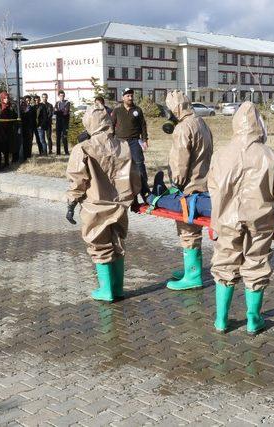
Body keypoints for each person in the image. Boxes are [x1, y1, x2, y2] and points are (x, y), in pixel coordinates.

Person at [208, 102, 274, 335]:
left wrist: (214, 222)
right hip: (260, 220)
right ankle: (253, 320)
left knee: (224, 264)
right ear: (259, 125)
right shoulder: (271, 156)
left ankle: (221, 320)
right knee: (256, 264)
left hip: (227, 219)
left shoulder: (221, 154)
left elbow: (214, 190)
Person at [65, 102, 140, 302]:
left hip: (95, 206)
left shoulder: (83, 148)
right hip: (120, 204)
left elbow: (77, 179)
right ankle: (118, 288)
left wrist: (71, 203)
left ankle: (106, 291)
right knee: (117, 244)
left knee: (100, 246)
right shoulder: (123, 145)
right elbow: (134, 173)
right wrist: (135, 196)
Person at [157, 90, 214, 291]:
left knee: (187, 230)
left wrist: (176, 183)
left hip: (189, 187)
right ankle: (192, 269)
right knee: (193, 227)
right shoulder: (201, 123)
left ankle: (193, 275)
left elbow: (180, 163)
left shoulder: (183, 128)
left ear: (176, 108)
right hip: (204, 183)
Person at [111, 88, 150, 201]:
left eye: (131, 95)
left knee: (139, 165)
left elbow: (143, 125)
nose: (130, 97)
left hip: (134, 141)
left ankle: (145, 192)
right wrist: (111, 141)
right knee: (122, 167)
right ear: (123, 97)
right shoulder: (117, 111)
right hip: (121, 143)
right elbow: (112, 126)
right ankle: (126, 194)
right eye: (128, 95)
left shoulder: (137, 110)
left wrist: (145, 139)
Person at [0, 92, 17, 168]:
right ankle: (1, 162)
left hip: (9, 129)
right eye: (5, 98)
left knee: (8, 145)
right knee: (2, 146)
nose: (7, 99)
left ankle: (7, 162)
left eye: (7, 98)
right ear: (2, 98)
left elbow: (15, 115)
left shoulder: (11, 106)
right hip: (1, 129)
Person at [54, 90, 70, 155]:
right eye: (60, 96)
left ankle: (66, 152)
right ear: (58, 96)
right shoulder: (57, 103)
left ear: (64, 96)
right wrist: (60, 111)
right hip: (58, 123)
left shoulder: (67, 103)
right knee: (58, 138)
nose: (62, 97)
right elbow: (54, 112)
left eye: (63, 96)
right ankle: (58, 152)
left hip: (65, 123)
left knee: (64, 137)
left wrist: (59, 111)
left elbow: (66, 112)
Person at [20, 95, 35, 160]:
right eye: (27, 101)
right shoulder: (21, 108)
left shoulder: (31, 108)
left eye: (29, 100)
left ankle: (29, 155)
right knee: (24, 142)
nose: (28, 102)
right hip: (23, 127)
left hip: (30, 127)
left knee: (29, 141)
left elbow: (33, 118)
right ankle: (24, 155)